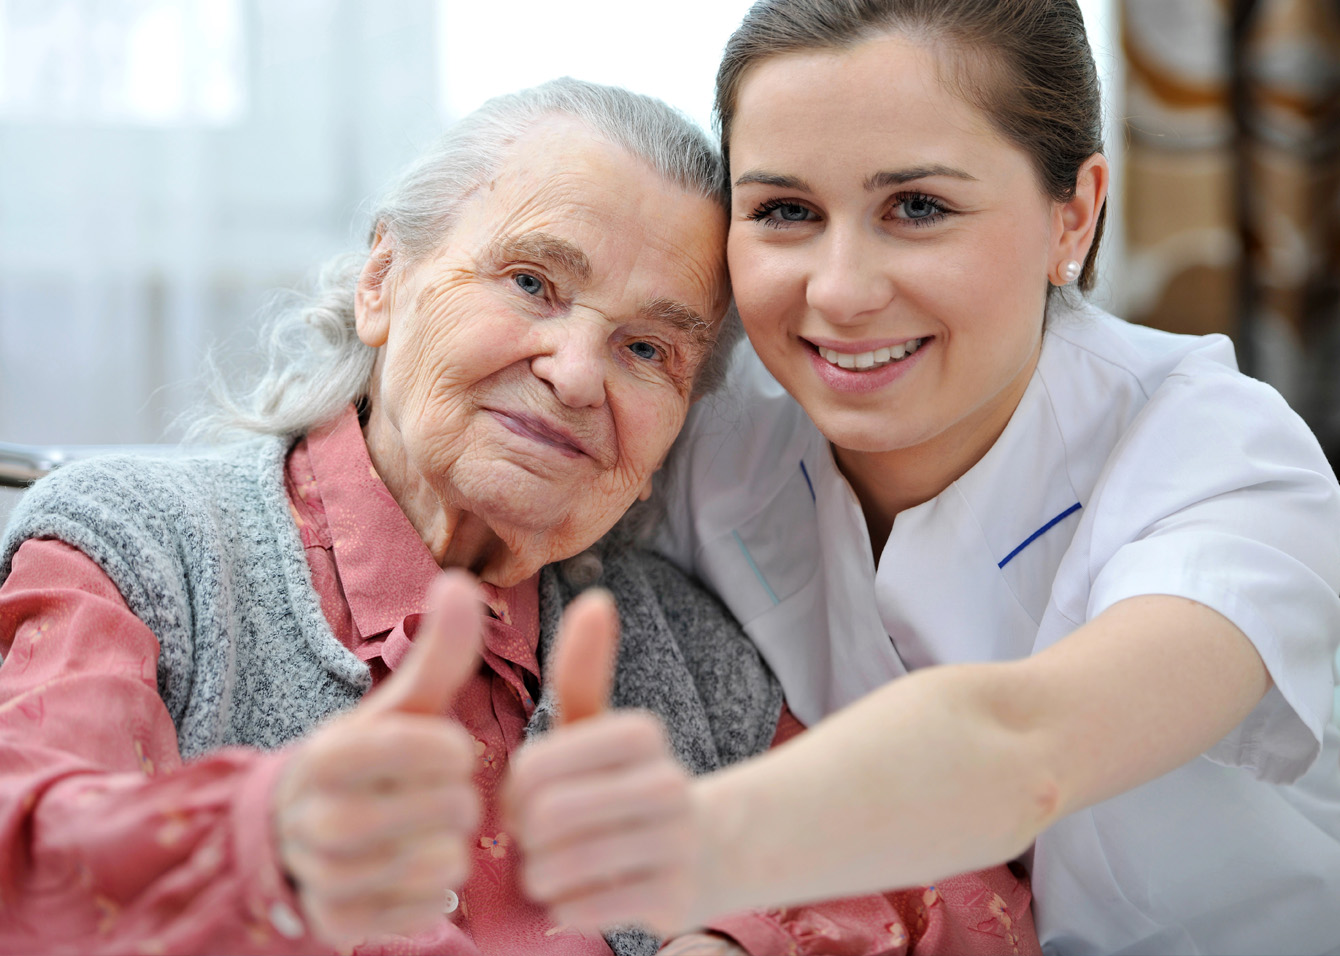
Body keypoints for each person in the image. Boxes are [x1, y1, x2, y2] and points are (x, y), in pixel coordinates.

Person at [0, 76, 1038, 956]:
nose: (578, 372)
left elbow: (962, 885)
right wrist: (263, 841)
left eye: (648, 350)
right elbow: (28, 858)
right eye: (532, 281)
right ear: (381, 282)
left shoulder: (682, 652)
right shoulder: (138, 549)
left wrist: (735, 932)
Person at [504, 3, 1340, 954]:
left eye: (918, 208)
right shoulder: (710, 435)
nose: (840, 292)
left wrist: (683, 847)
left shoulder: (1222, 458)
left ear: (1074, 215)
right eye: (785, 212)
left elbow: (1023, 750)